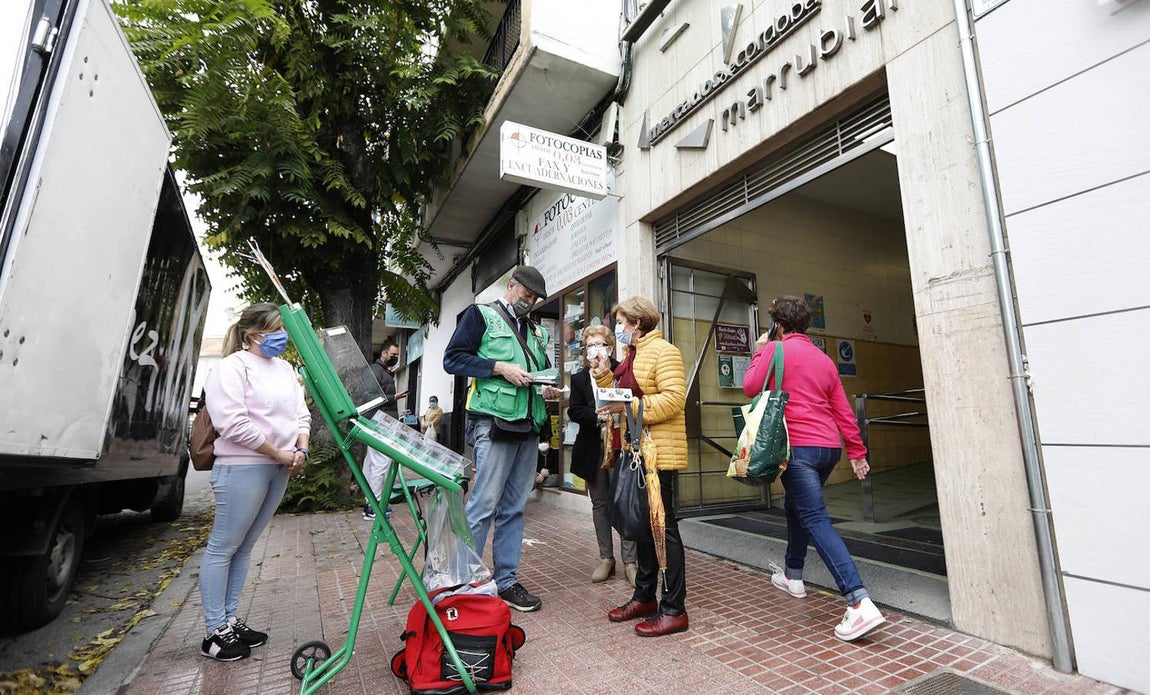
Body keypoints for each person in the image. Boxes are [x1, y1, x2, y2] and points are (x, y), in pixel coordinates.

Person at [742, 295, 885, 642]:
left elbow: (749, 387)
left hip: (799, 450)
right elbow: (843, 410)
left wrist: (760, 351)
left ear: (778, 325)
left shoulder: (774, 350)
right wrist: (856, 451)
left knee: (815, 518)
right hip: (828, 449)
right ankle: (793, 574)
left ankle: (858, 601)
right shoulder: (824, 359)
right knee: (797, 506)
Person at [444, 265, 561, 613]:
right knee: (483, 505)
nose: (530, 301)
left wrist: (547, 388)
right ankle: (463, 583)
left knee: (513, 508)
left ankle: (506, 581)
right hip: (494, 423)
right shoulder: (480, 316)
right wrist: (499, 368)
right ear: (511, 286)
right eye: (526, 294)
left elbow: (539, 374)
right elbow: (453, 359)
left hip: (529, 425)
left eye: (535, 298)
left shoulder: (536, 332)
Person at [199, 302, 311, 661]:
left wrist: (301, 449)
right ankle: (214, 632)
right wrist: (279, 453)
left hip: (279, 467)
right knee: (224, 546)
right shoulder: (231, 368)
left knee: (245, 547)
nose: (283, 336)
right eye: (276, 329)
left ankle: (230, 620)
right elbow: (232, 423)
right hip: (242, 467)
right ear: (253, 335)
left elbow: (301, 413)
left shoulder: (285, 369)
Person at [595, 296, 690, 637]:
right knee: (645, 530)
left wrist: (628, 407)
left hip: (657, 455)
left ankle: (674, 609)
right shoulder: (631, 355)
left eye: (621, 323)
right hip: (636, 452)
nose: (618, 328)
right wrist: (604, 376)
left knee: (664, 529)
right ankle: (645, 597)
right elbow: (623, 395)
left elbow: (674, 399)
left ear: (637, 323)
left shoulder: (664, 352)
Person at [568, 324, 638, 585]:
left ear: (610, 347)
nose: (595, 350)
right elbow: (574, 410)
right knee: (600, 503)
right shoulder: (579, 378)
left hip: (620, 445)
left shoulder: (622, 370)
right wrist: (596, 416)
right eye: (590, 346)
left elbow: (632, 400)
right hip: (593, 446)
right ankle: (606, 558)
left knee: (624, 502)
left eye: (600, 344)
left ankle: (630, 561)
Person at [362, 340, 406, 521]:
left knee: (372, 463)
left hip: (380, 421)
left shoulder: (384, 371)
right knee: (380, 463)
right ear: (384, 353)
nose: (395, 358)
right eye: (393, 354)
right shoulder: (375, 370)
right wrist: (393, 397)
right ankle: (374, 506)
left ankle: (369, 503)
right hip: (378, 422)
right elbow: (371, 396)